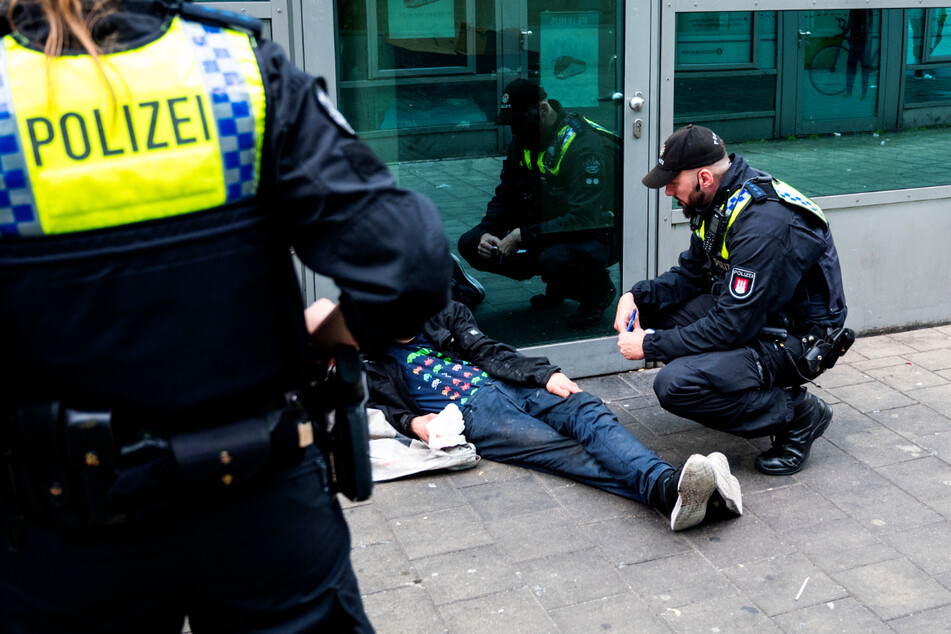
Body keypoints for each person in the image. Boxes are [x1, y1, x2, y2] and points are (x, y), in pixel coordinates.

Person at [0, 0, 451, 630]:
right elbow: (413, 265)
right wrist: (332, 329)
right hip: (263, 509)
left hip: (66, 530)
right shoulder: (234, 68)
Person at [365, 300, 743, 532]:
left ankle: (668, 490)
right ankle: (682, 490)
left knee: (587, 411)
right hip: (474, 412)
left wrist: (544, 374)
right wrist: (414, 423)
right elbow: (386, 406)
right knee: (564, 452)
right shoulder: (370, 357)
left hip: (509, 382)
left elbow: (488, 350)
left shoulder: (443, 312)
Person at [615, 124, 849, 477]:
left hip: (797, 335)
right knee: (652, 312)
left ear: (704, 177)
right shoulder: (723, 200)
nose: (667, 192)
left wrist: (650, 345)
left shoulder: (764, 223)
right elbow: (691, 274)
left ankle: (798, 414)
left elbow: (732, 325)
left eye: (672, 183)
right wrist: (636, 296)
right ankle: (731, 385)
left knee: (676, 384)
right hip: (758, 312)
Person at [456, 78, 618, 329]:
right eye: (511, 123)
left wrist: (522, 235)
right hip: (550, 221)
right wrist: (488, 230)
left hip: (599, 230)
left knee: (554, 258)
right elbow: (507, 193)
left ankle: (596, 292)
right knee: (470, 243)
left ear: (542, 110)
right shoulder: (526, 136)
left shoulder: (585, 145)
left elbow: (584, 217)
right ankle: (558, 282)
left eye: (520, 121)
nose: (515, 131)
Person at [843, 9, 873, 100]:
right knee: (853, 67)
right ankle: (853, 92)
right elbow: (850, 23)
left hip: (860, 40)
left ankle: (859, 92)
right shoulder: (855, 9)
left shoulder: (866, 9)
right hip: (857, 40)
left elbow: (869, 25)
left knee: (855, 67)